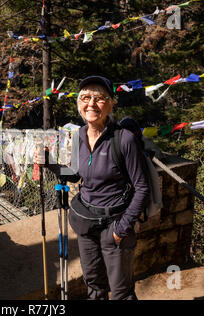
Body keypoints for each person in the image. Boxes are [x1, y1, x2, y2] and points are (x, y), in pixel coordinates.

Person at [34, 75, 149, 300]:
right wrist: (50, 164)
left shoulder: (123, 140)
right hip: (86, 225)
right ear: (79, 103)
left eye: (99, 98)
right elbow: (76, 175)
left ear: (111, 103)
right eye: (85, 97)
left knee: (121, 292)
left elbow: (142, 188)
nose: (91, 104)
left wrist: (121, 230)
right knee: (94, 285)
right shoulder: (79, 135)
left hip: (114, 225)